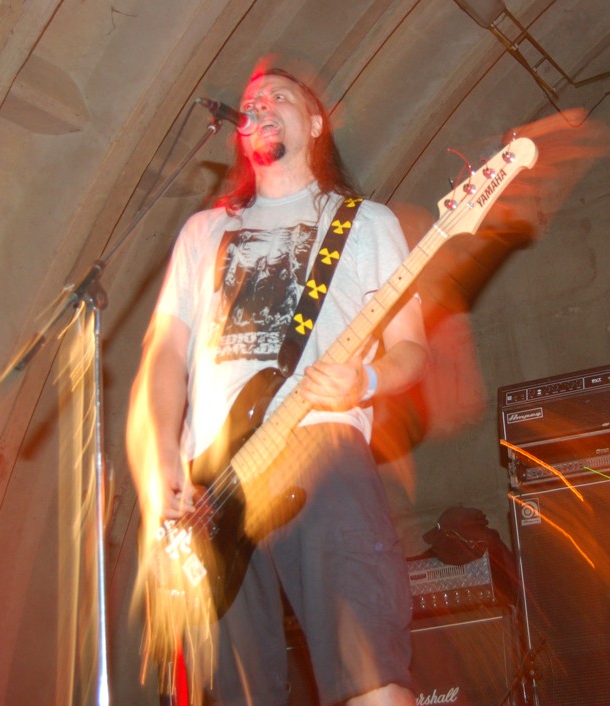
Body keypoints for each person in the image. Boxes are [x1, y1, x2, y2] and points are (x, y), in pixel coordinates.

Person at [127, 65, 427, 706]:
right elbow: (164, 353)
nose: (260, 104)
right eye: (251, 101)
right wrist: (160, 458)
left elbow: (410, 348)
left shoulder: (364, 223)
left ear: (315, 123)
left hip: (321, 449)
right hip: (213, 490)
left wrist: (365, 379)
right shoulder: (203, 231)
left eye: (279, 96)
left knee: (371, 678)